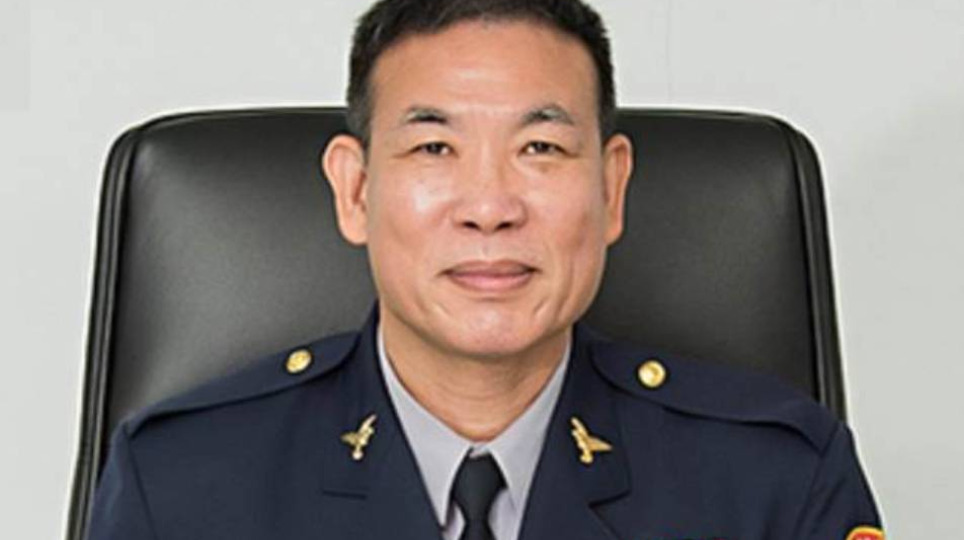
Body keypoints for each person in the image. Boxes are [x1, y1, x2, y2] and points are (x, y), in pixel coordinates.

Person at [85, 1, 884, 539]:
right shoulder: (182, 484)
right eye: (435, 147)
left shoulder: (776, 481)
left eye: (540, 147)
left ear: (611, 190)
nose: (491, 206)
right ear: (355, 191)